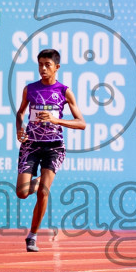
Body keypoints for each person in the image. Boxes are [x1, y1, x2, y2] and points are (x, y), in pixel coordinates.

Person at [15, 48, 86, 253]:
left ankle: (32, 236)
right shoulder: (30, 89)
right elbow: (20, 112)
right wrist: (19, 128)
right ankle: (37, 181)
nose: (43, 69)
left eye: (47, 65)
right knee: (22, 192)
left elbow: (82, 123)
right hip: (31, 144)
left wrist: (56, 120)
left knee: (43, 192)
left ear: (57, 67)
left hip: (54, 146)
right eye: (40, 65)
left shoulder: (64, 91)